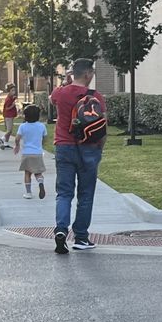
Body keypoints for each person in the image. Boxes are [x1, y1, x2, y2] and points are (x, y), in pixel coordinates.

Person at [48, 58, 108, 253]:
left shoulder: (61, 93)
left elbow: (51, 99)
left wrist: (66, 82)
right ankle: (81, 237)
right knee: (86, 195)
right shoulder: (96, 96)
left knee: (64, 193)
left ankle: (61, 230)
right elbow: (103, 126)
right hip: (89, 148)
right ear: (88, 74)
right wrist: (100, 149)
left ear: (73, 73)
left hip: (64, 147)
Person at [15, 105, 48, 199]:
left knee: (27, 173)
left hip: (27, 153)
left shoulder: (23, 126)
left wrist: (17, 146)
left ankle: (28, 193)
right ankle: (40, 183)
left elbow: (17, 138)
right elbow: (45, 138)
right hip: (37, 153)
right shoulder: (42, 126)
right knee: (38, 172)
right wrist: (41, 145)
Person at [0, 85, 20, 150]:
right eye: (12, 90)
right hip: (8, 116)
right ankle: (2, 139)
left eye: (14, 90)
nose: (14, 92)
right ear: (9, 91)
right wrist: (13, 105)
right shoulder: (8, 99)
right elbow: (7, 108)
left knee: (9, 130)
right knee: (9, 130)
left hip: (11, 116)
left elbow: (13, 100)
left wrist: (14, 99)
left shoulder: (11, 98)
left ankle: (6, 143)